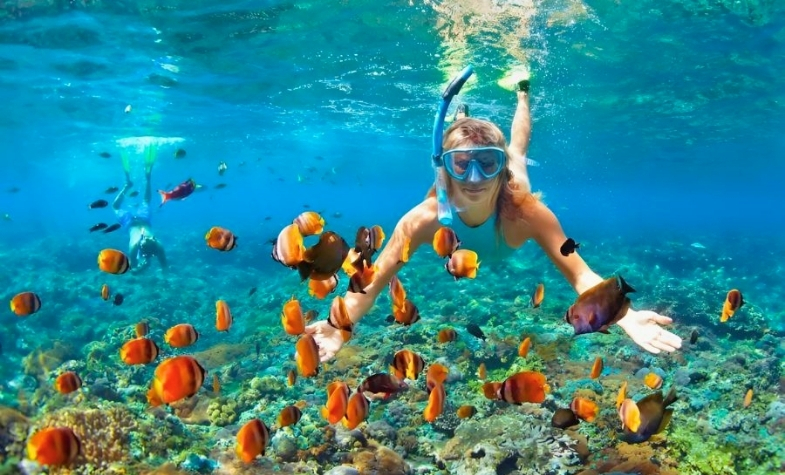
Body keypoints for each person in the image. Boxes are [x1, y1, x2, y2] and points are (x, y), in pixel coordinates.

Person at [305, 77, 682, 361]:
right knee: (469, 137)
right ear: (445, 170)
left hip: (514, 183)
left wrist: (623, 313)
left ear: (501, 172)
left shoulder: (528, 212)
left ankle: (521, 92)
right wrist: (340, 325)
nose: (473, 179)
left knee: (517, 148)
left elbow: (581, 274)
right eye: (461, 165)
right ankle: (462, 117)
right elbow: (371, 282)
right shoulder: (423, 220)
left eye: (488, 164)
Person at [113, 144, 168, 273]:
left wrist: (142, 267)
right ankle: (136, 182)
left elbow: (133, 268)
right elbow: (163, 267)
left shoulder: (139, 246)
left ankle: (137, 182)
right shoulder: (153, 247)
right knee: (117, 206)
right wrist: (143, 267)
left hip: (141, 220)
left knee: (144, 201)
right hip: (132, 222)